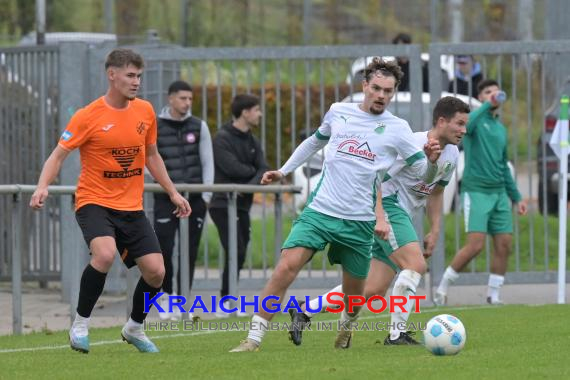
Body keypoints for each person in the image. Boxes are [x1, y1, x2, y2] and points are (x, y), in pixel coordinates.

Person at [230, 57, 442, 352]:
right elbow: (315, 142)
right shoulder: (338, 112)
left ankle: (346, 327)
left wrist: (431, 164)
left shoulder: (398, 128)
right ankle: (252, 339)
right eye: (377, 88)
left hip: (359, 221)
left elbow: (423, 174)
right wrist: (284, 170)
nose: (381, 95)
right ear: (365, 86)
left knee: (356, 296)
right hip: (320, 212)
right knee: (285, 268)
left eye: (388, 91)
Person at [29, 48, 191, 354]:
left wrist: (172, 191)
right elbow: (58, 155)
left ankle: (134, 327)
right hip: (94, 202)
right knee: (104, 255)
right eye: (130, 75)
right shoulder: (87, 116)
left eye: (139, 76)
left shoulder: (144, 112)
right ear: (112, 75)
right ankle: (79, 324)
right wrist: (42, 186)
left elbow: (152, 156)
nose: (136, 82)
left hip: (131, 207)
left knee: (157, 271)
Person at [288, 96, 470, 346]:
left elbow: (436, 191)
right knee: (415, 265)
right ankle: (397, 335)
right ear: (441, 121)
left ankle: (305, 309)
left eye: (465, 124)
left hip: (400, 215)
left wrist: (435, 229)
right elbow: (378, 179)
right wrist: (380, 216)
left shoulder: (452, 154)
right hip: (387, 208)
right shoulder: (413, 143)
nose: (464, 130)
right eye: (459, 124)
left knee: (372, 289)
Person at [435, 79, 528, 306]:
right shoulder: (475, 120)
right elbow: (468, 126)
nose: (494, 95)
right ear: (481, 97)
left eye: (497, 91)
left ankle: (493, 295)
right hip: (476, 191)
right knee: (475, 245)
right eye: (488, 92)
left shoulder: (500, 128)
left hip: (498, 194)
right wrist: (487, 104)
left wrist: (516, 197)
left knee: (504, 243)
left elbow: (503, 164)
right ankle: (442, 288)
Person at [153, 80, 214, 321]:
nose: (187, 103)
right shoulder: (155, 125)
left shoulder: (199, 126)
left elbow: (207, 161)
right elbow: (148, 160)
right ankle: (165, 296)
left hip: (194, 200)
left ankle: (183, 300)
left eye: (190, 99)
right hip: (165, 199)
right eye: (182, 98)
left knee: (189, 251)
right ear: (170, 99)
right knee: (164, 249)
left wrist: (206, 196)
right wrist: (164, 188)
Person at [209, 94, 269, 318]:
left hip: (242, 205)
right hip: (223, 204)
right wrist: (253, 175)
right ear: (245, 112)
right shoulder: (222, 138)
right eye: (256, 109)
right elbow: (231, 168)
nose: (260, 114)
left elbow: (263, 168)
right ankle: (225, 302)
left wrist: (249, 184)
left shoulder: (253, 140)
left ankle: (229, 298)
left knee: (240, 252)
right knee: (236, 249)